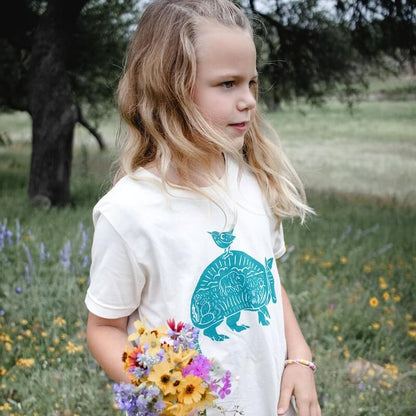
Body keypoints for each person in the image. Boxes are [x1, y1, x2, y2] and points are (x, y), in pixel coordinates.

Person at [85, 1, 321, 415]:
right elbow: (104, 329)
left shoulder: (250, 180)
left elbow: (265, 277)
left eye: (251, 82)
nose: (248, 100)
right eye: (228, 83)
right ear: (170, 88)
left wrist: (298, 355)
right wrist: (162, 388)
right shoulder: (128, 212)